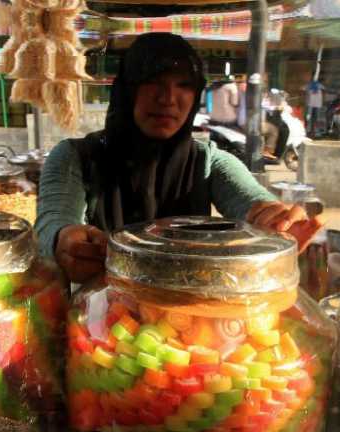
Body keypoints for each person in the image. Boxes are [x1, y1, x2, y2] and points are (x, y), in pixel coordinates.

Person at [35, 33, 316, 283]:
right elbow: (52, 223)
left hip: (185, 322)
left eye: (184, 85)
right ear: (127, 89)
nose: (168, 98)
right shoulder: (75, 157)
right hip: (100, 319)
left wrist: (272, 218)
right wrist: (63, 240)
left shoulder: (208, 161)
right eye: (153, 82)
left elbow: (250, 200)